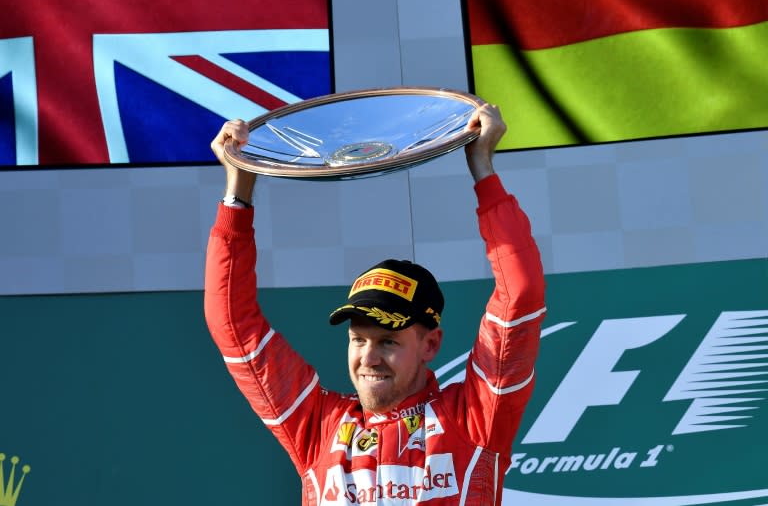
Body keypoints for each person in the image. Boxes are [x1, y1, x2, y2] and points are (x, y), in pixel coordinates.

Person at [204, 104, 545, 505]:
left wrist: (483, 169)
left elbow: (519, 293)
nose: (368, 358)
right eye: (358, 339)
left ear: (430, 345)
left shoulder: (473, 417)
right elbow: (232, 325)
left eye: (388, 341)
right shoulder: (317, 425)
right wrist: (238, 192)